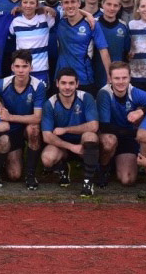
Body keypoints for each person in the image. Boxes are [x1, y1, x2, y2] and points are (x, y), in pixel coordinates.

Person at [0, 50, 45, 190]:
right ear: (12, 67)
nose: (21, 70)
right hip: (10, 131)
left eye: (25, 66)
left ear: (31, 68)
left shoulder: (38, 86)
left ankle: (31, 174)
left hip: (25, 127)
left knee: (34, 129)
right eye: (17, 66)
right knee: (14, 175)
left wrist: (10, 117)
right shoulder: (4, 83)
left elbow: (37, 117)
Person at [41, 68, 101, 197]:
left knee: (90, 135)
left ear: (77, 84)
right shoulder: (50, 103)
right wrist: (72, 147)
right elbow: (46, 136)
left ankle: (88, 182)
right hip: (62, 145)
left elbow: (94, 126)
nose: (67, 87)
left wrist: (66, 129)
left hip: (83, 142)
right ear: (57, 83)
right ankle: (63, 168)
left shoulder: (86, 97)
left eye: (71, 83)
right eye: (63, 83)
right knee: (47, 159)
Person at [96, 62, 146, 187]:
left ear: (130, 77)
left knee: (127, 179)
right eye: (116, 78)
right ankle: (104, 168)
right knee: (109, 141)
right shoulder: (104, 93)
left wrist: (141, 111)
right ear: (110, 79)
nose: (121, 82)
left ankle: (120, 163)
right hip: (112, 135)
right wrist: (137, 133)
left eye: (124, 78)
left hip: (128, 138)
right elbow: (105, 126)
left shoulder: (133, 91)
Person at [56, 0, 111, 93]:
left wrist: (109, 75)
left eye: (73, 2)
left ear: (79, 3)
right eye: (66, 2)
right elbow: (41, 9)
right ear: (62, 5)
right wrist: (86, 13)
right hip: (62, 79)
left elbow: (103, 50)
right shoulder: (59, 22)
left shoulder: (91, 23)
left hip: (84, 78)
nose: (70, 5)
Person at [8, 0, 55, 83]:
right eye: (25, 2)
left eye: (32, 3)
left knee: (40, 97)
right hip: (20, 70)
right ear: (20, 4)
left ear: (37, 5)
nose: (28, 5)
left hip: (40, 70)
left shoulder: (45, 18)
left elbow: (67, 12)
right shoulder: (15, 22)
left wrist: (88, 16)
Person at [93, 0, 131, 90]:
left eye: (115, 5)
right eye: (109, 4)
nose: (112, 8)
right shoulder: (93, 24)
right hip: (95, 76)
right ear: (102, 4)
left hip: (118, 79)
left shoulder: (123, 26)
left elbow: (127, 52)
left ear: (119, 7)